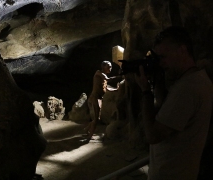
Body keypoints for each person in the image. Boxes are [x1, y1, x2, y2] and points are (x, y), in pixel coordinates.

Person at [133, 26, 213, 180]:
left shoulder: (188, 88)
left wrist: (145, 91)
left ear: (182, 50)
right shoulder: (194, 79)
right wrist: (158, 82)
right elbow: (166, 112)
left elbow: (152, 135)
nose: (161, 63)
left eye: (163, 56)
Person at [84, 61, 120, 139]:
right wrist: (119, 77)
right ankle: (90, 136)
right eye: (109, 67)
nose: (110, 68)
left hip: (99, 98)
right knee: (96, 119)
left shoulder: (102, 77)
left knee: (97, 118)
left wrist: (116, 89)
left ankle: (86, 130)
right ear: (103, 67)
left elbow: (106, 88)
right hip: (95, 97)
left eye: (111, 67)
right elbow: (108, 79)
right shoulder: (99, 73)